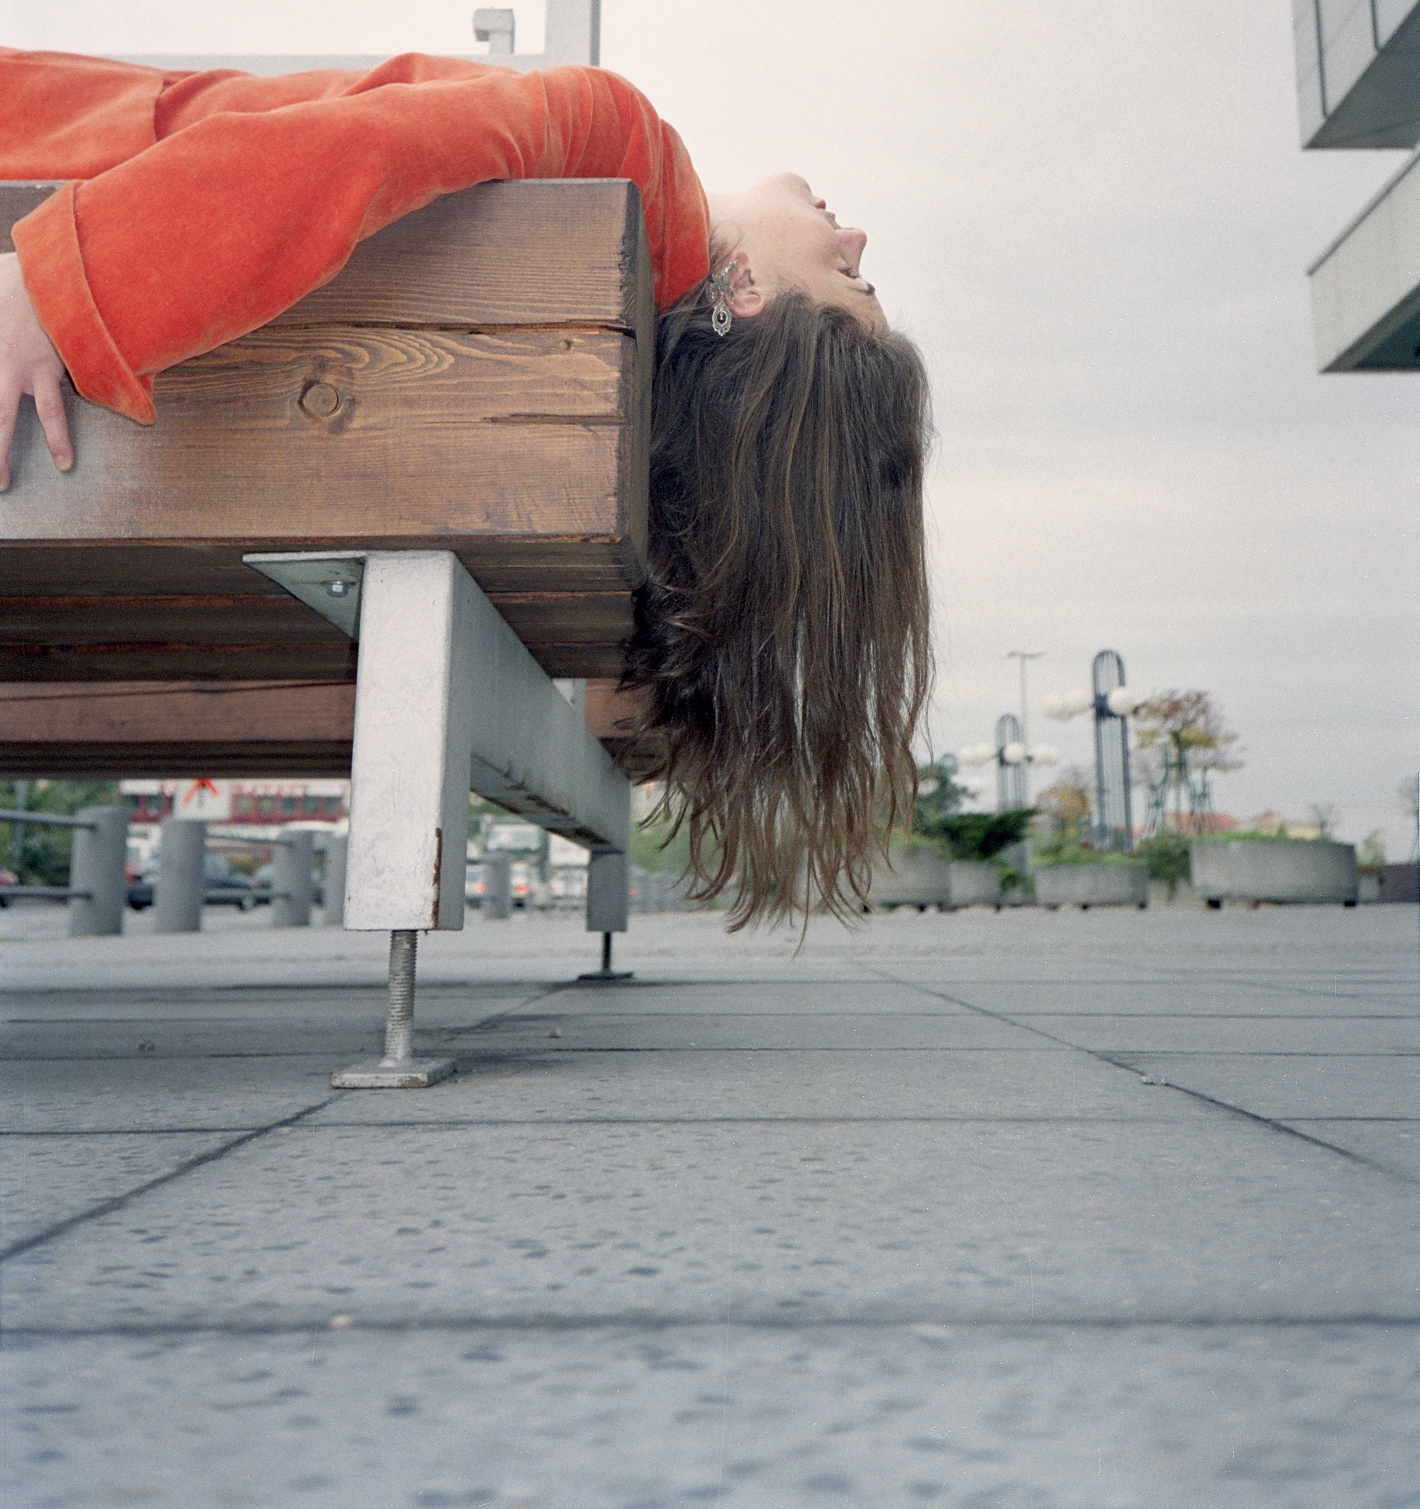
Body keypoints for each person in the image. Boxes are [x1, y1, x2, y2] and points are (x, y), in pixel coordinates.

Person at [0, 47, 932, 924]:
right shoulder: (619, 390)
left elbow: (363, 145)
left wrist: (60, 287)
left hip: (50, 149)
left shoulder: (623, 145)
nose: (852, 230)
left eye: (849, 272)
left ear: (750, 290)